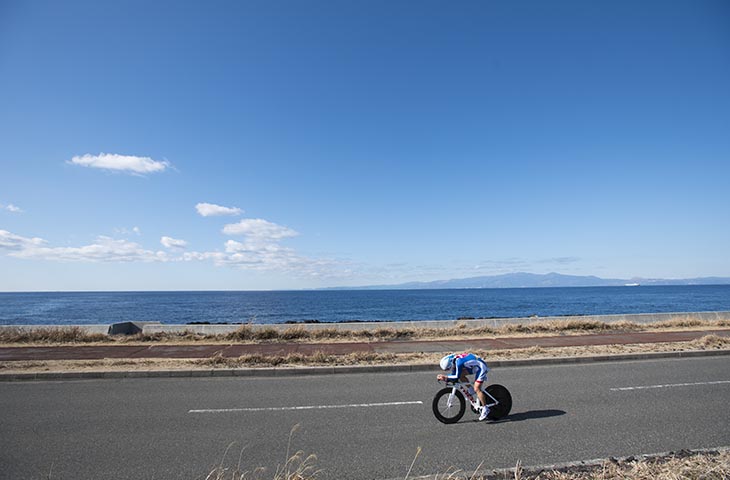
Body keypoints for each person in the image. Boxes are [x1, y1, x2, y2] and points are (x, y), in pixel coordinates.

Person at [437, 352, 491, 421]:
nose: (448, 370)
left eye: (448, 369)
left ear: (450, 364)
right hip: (473, 366)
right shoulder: (454, 361)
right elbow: (455, 374)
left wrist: (445, 377)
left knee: (477, 388)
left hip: (481, 366)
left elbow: (456, 376)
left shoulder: (459, 363)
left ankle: (485, 408)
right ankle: (471, 389)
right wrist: (446, 378)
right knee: (461, 376)